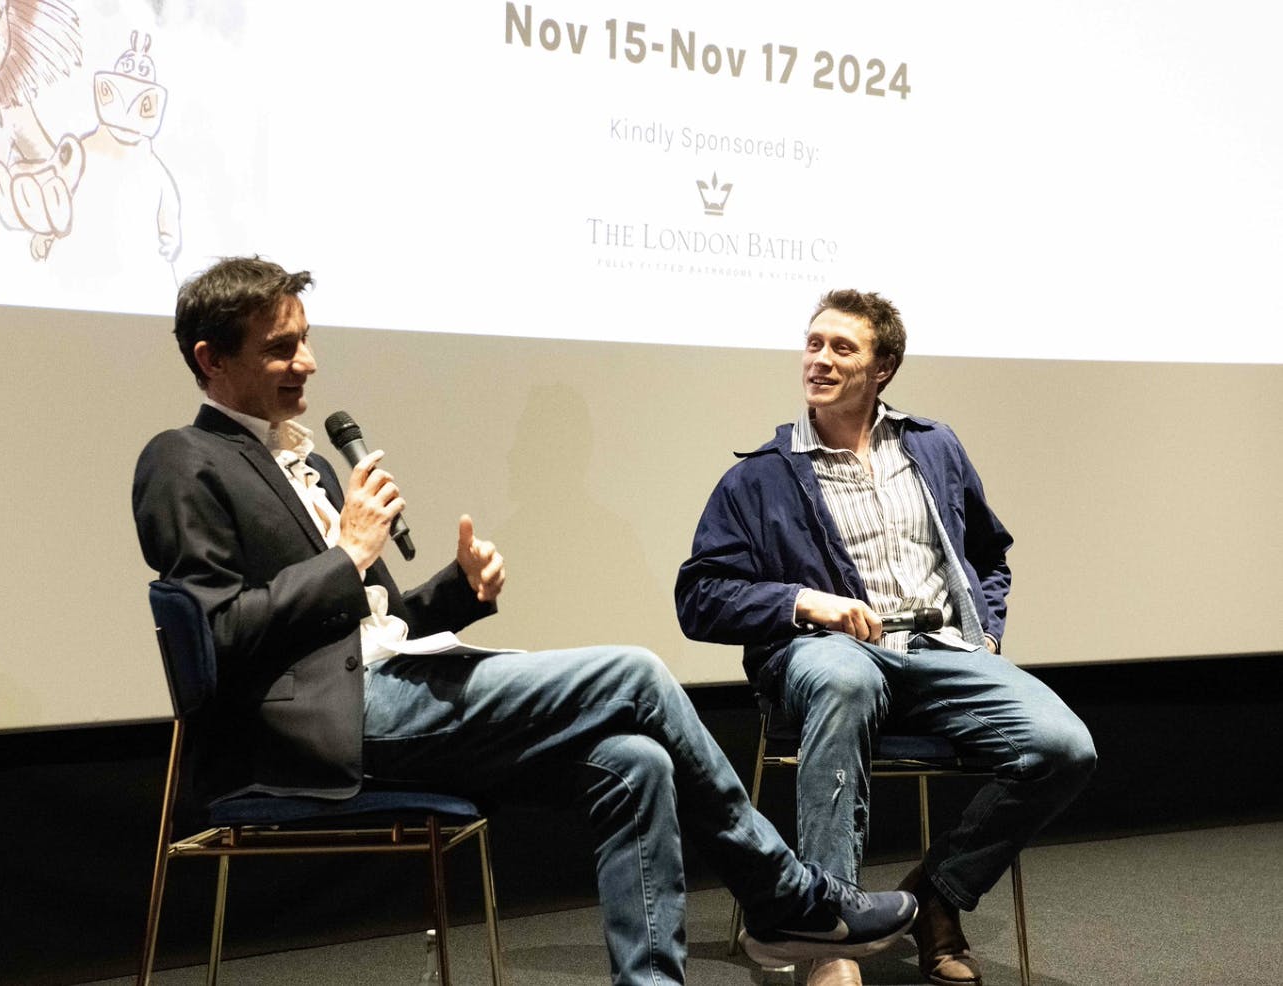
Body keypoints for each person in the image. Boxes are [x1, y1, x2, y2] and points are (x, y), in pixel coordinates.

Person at [132, 257, 918, 986]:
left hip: (386, 687)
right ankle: (786, 896)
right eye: (280, 349)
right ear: (211, 360)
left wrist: (458, 592)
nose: (305, 363)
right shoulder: (182, 461)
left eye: (304, 343)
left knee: (637, 758)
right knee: (635, 672)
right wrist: (346, 555)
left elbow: (373, 623)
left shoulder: (304, 461)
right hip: (313, 732)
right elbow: (219, 635)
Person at [675, 290, 1096, 986]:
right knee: (846, 677)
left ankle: (939, 892)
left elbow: (989, 554)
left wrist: (985, 631)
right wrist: (807, 604)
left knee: (1064, 747)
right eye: (814, 344)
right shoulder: (759, 477)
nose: (820, 359)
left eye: (843, 348)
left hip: (940, 651)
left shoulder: (934, 446)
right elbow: (700, 597)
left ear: (884, 369)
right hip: (830, 655)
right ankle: (827, 933)